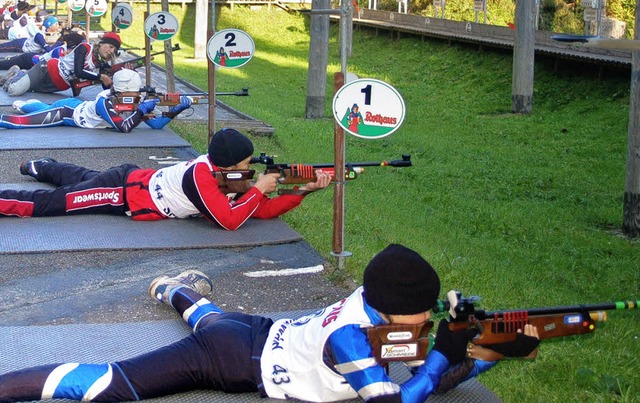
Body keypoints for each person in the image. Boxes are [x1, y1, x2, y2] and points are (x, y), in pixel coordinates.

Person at [0, 244, 541, 401]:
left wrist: (485, 356)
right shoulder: (352, 337)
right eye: (424, 310)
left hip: (259, 330)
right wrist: (448, 350)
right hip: (232, 360)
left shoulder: (374, 308)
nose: (430, 318)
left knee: (210, 316)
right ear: (396, 307)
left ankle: (173, 289)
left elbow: (425, 370)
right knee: (111, 384)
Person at [0, 128, 333, 229]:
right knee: (53, 204)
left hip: (130, 178)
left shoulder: (223, 175)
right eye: (245, 165)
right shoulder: (202, 178)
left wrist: (303, 191)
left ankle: (40, 166)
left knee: (81, 178)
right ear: (229, 164)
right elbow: (231, 220)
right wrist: (260, 187)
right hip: (123, 192)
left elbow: (257, 209)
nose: (249, 172)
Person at [0, 68, 191, 132]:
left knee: (40, 108)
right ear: (122, 90)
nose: (137, 97)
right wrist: (142, 110)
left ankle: (25, 104)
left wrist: (177, 109)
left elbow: (156, 125)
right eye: (134, 93)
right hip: (68, 112)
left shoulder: (132, 102)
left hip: (78, 107)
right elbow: (123, 127)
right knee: (21, 123)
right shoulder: (104, 101)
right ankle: (22, 106)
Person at [3, 31, 121, 97]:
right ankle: (15, 75)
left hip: (56, 86)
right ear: (101, 44)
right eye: (110, 46)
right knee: (14, 90)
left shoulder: (102, 64)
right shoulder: (85, 48)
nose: (111, 51)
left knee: (27, 90)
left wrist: (110, 79)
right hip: (47, 70)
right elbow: (79, 71)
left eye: (114, 50)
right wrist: (101, 76)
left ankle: (23, 74)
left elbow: (105, 89)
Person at [0, 31, 84, 77]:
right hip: (29, 60)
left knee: (7, 63)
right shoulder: (61, 50)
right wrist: (58, 42)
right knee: (4, 65)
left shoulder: (64, 49)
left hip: (32, 61)